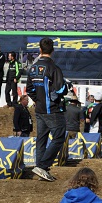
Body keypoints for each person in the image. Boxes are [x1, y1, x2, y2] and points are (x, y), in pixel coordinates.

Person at [26, 37, 68, 182]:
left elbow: (29, 89)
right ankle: (43, 166)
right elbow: (61, 88)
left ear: (40, 50)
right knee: (59, 136)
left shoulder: (33, 68)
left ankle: (40, 168)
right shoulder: (53, 68)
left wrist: (37, 100)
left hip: (39, 109)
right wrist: (66, 87)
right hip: (52, 109)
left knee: (41, 139)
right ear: (53, 50)